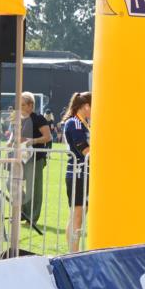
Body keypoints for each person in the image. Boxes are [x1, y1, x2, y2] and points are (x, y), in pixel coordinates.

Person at [12, 92, 52, 228]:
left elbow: (48, 137)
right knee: (11, 183)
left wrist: (32, 141)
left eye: (23, 105)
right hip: (20, 157)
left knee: (34, 189)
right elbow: (15, 136)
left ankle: (32, 218)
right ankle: (24, 212)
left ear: (31, 105)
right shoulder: (18, 119)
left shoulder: (39, 118)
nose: (20, 107)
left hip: (35, 158)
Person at [62, 92, 91, 252]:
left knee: (79, 214)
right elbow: (85, 151)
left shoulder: (84, 123)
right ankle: (73, 252)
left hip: (84, 174)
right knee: (77, 215)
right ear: (86, 106)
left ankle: (74, 251)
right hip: (77, 173)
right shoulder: (75, 123)